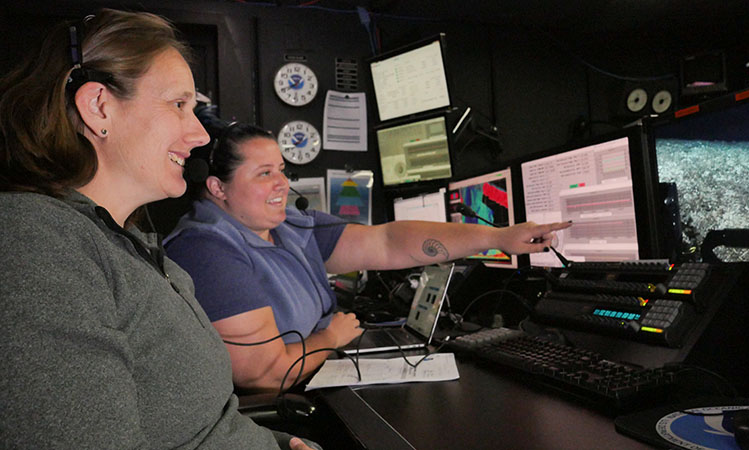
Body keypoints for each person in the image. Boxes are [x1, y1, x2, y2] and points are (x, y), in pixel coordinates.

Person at [0, 9, 317, 450]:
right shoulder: (35, 243)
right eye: (178, 104)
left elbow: (201, 424)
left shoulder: (126, 242)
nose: (200, 135)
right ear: (98, 106)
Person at [164, 120, 572, 393]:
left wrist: (499, 236)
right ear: (217, 188)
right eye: (264, 173)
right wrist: (332, 337)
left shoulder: (289, 226)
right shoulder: (206, 250)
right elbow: (266, 373)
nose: (283, 184)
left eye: (282, 169)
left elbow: (388, 242)